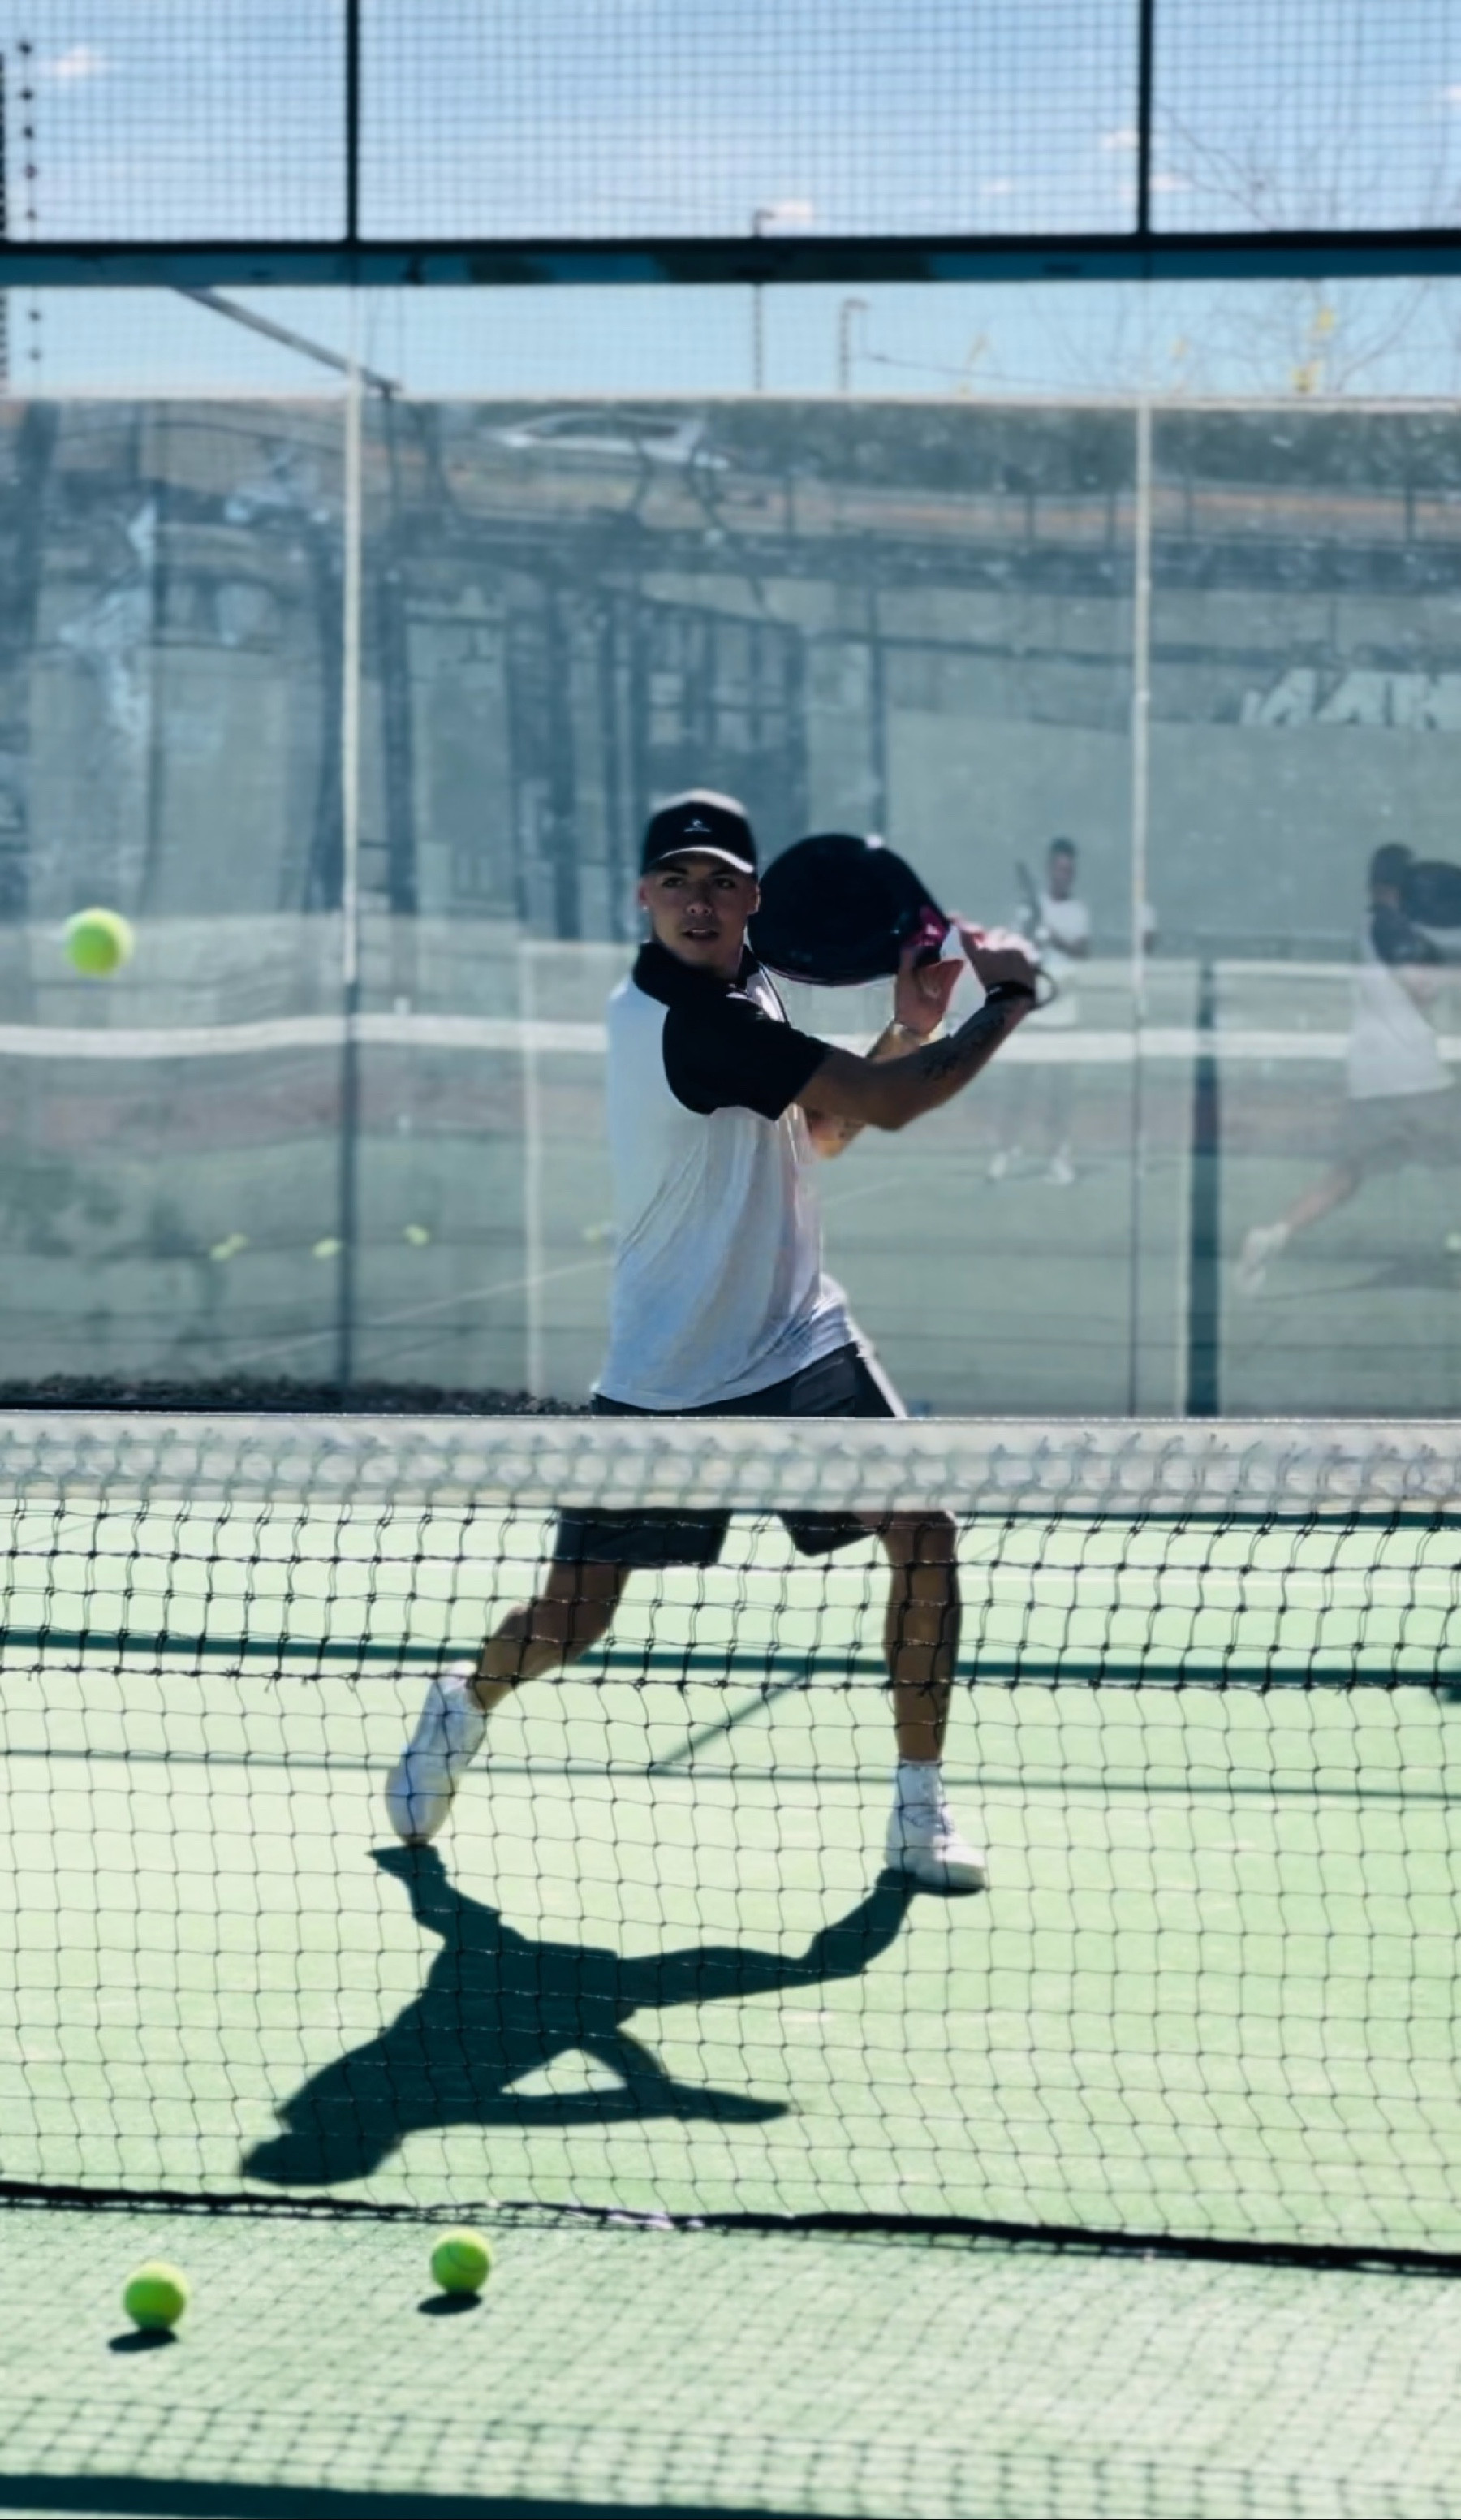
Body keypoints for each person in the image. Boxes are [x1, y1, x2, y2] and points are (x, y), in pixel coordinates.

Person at [386, 788, 1040, 1894]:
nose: (698, 900)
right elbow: (886, 1107)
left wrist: (914, 1025)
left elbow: (822, 1131)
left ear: (754, 898)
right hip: (668, 1371)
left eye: (721, 881)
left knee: (924, 1528)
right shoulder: (693, 1021)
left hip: (796, 1340)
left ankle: (917, 1806)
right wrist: (1008, 1001)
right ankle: (464, 1698)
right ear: (643, 896)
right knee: (572, 1619)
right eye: (677, 881)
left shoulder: (750, 988)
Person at [1238, 843, 1459, 1293]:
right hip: (1412, 1076)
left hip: (1370, 1076)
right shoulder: (1389, 926)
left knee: (1347, 1175)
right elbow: (1420, 987)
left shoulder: (1367, 926)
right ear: (1397, 887)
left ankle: (1273, 1235)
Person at [987, 835, 1091, 1187]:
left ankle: (1059, 1158)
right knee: (1016, 1091)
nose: (1064, 875)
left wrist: (1053, 936)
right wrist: (1033, 935)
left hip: (1065, 1020)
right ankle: (1004, 1155)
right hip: (1031, 1017)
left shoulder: (1079, 912)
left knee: (1060, 1097)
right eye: (1060, 869)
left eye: (1069, 870)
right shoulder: (1028, 911)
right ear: (1050, 869)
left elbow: (1082, 951)